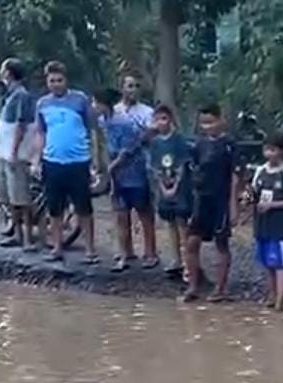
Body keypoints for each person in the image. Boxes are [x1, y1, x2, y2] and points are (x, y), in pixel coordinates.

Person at [33, 61, 98, 265]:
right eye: (52, 81)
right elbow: (40, 133)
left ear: (66, 80)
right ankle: (57, 247)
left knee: (84, 208)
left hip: (78, 161)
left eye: (59, 80)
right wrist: (36, 160)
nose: (56, 84)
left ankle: (90, 250)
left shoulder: (80, 100)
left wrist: (95, 161)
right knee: (55, 208)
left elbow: (93, 131)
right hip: (52, 162)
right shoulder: (42, 104)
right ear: (47, 82)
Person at [96, 87, 158, 272]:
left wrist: (113, 165)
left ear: (103, 103)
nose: (93, 106)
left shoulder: (123, 122)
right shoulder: (103, 121)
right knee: (121, 214)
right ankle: (125, 253)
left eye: (95, 102)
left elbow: (129, 148)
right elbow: (104, 145)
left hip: (134, 170)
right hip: (117, 171)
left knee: (143, 211)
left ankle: (150, 253)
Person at [183, 104, 238, 303]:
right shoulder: (198, 145)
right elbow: (193, 171)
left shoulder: (229, 145)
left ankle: (220, 288)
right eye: (204, 123)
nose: (207, 127)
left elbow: (236, 177)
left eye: (211, 122)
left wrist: (235, 206)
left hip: (221, 200)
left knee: (221, 244)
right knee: (191, 241)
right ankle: (193, 286)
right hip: (201, 199)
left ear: (221, 120)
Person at [251, 131, 283, 312]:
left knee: (280, 264)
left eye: (272, 150)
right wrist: (247, 198)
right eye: (266, 150)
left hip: (280, 225)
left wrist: (272, 205)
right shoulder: (260, 171)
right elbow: (253, 191)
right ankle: (272, 295)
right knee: (267, 262)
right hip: (262, 223)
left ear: (281, 151)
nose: (269, 154)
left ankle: (281, 301)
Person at [0, 58, 38, 251]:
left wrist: (13, 150)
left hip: (16, 155)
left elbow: (21, 125)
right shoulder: (9, 96)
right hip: (6, 154)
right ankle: (18, 235)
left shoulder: (21, 95)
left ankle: (28, 239)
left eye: (3, 69)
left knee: (22, 198)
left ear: (9, 73)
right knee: (11, 199)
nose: (1, 73)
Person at [149, 104, 192, 276]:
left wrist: (175, 186)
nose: (161, 123)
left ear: (171, 120)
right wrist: (162, 187)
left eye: (164, 118)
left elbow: (183, 165)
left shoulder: (179, 141)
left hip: (180, 189)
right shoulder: (155, 143)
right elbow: (155, 169)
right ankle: (176, 259)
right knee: (170, 223)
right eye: (158, 119)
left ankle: (189, 262)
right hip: (164, 188)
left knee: (183, 225)